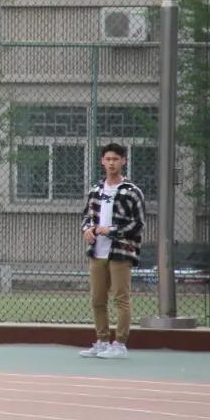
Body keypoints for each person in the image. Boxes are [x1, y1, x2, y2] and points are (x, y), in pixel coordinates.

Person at [79, 142, 145, 359]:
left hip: (121, 252)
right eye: (108, 159)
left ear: (123, 161)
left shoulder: (132, 192)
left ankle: (120, 344)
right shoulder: (95, 190)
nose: (111, 163)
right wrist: (87, 230)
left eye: (115, 159)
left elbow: (138, 224)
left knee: (121, 298)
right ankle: (102, 341)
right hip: (97, 252)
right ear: (102, 161)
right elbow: (86, 216)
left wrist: (112, 231)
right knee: (97, 299)